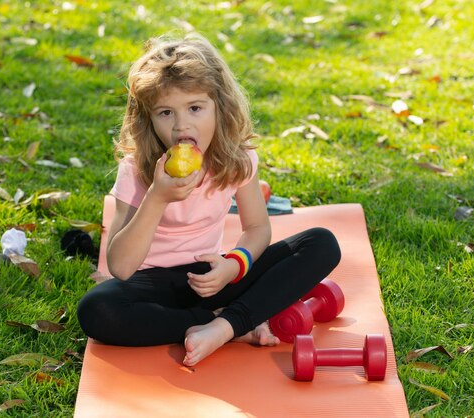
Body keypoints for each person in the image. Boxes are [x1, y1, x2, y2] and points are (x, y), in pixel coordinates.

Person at [77, 33, 341, 366]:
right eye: (165, 113)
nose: (181, 125)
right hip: (150, 284)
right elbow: (120, 266)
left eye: (195, 108)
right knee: (96, 309)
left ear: (220, 107)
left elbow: (258, 227)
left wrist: (234, 265)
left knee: (321, 243)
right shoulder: (137, 168)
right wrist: (157, 198)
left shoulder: (237, 158)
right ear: (148, 118)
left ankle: (223, 325)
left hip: (211, 277)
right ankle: (231, 324)